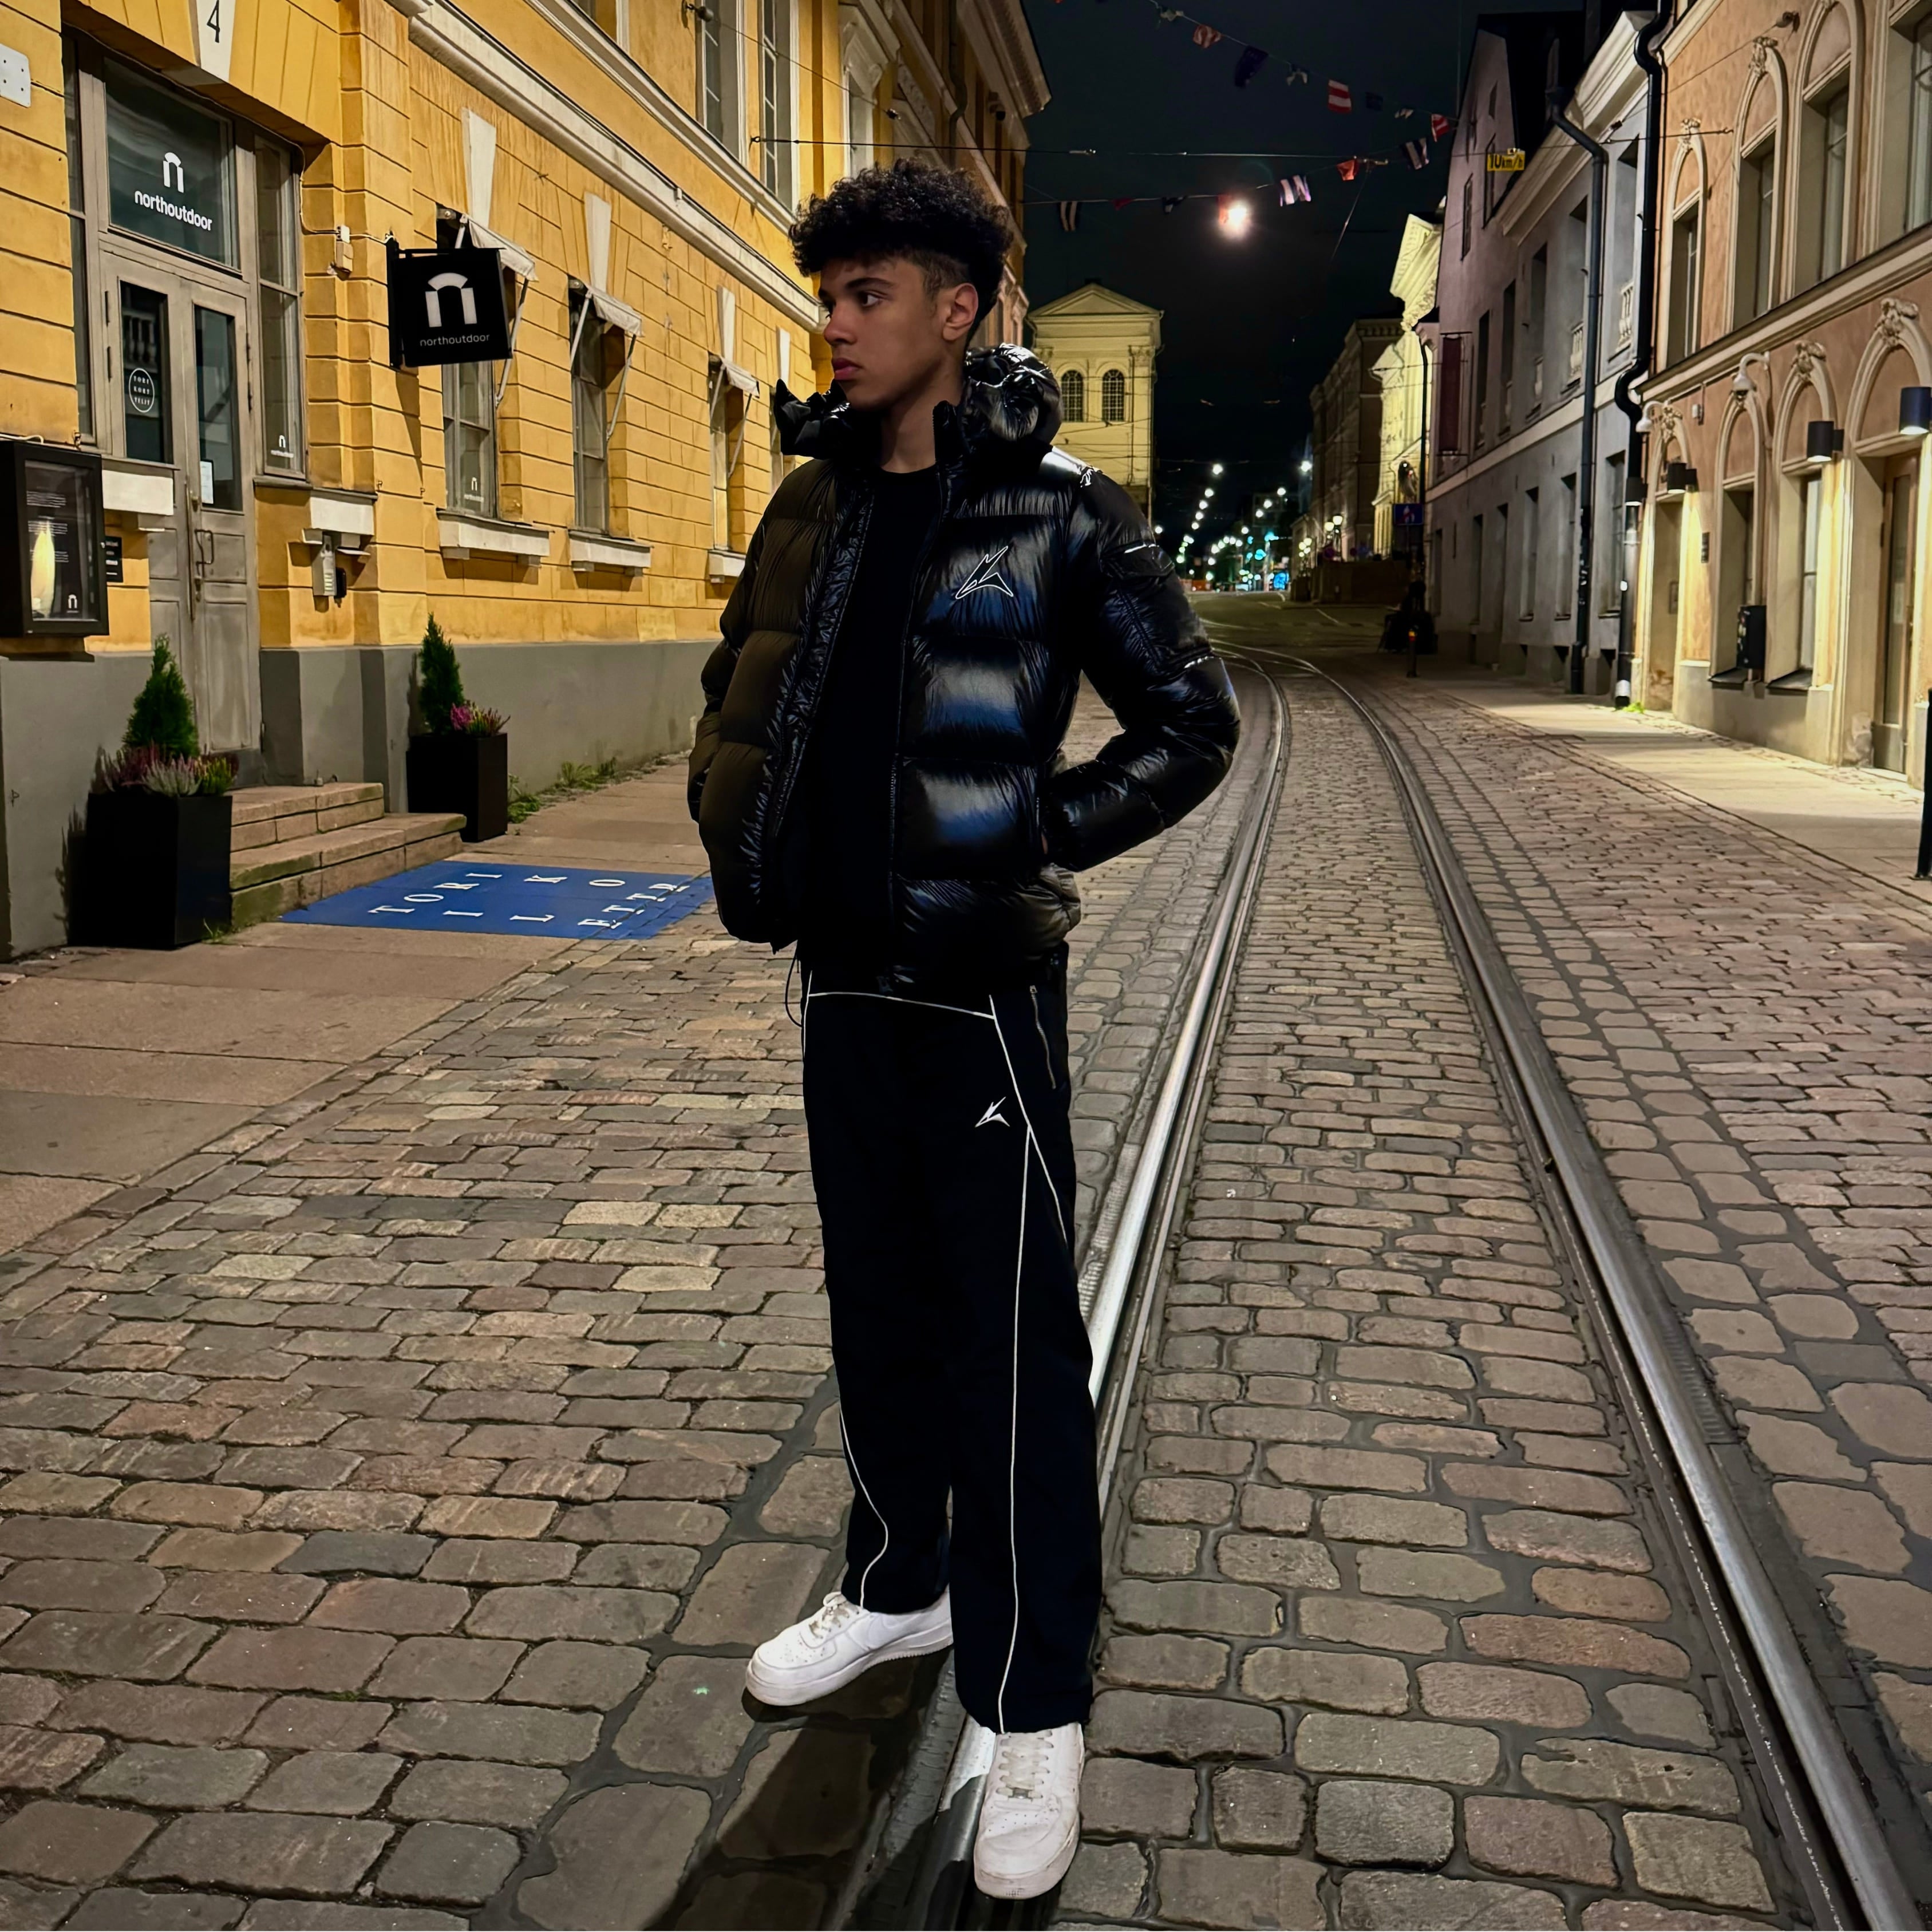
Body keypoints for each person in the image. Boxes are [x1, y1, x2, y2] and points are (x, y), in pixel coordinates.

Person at [687, 159, 1239, 1902]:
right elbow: (737, 685)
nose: (835, 327)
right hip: (838, 976)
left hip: (980, 994)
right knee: (876, 1311)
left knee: (1007, 1349)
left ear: (959, 307)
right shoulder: (811, 504)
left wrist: (1032, 832)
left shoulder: (1066, 514)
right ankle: (898, 1586)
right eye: (828, 296)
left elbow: (1193, 723)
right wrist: (742, 819)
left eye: (868, 296)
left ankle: (1034, 1700)